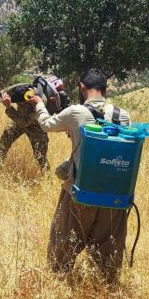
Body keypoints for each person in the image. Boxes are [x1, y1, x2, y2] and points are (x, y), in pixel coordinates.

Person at [26, 68, 132, 284]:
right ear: (105, 89)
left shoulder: (76, 112)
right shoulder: (124, 116)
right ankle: (105, 286)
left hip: (80, 192)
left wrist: (38, 103)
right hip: (114, 196)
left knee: (63, 240)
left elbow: (46, 125)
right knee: (107, 247)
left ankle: (58, 282)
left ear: (82, 88)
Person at [0, 84, 50, 172]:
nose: (19, 104)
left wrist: (8, 107)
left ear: (28, 98)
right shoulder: (19, 88)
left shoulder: (39, 104)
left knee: (40, 156)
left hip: (36, 126)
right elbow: (2, 93)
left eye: (20, 103)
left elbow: (24, 122)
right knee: (3, 144)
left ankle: (47, 177)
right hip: (19, 118)